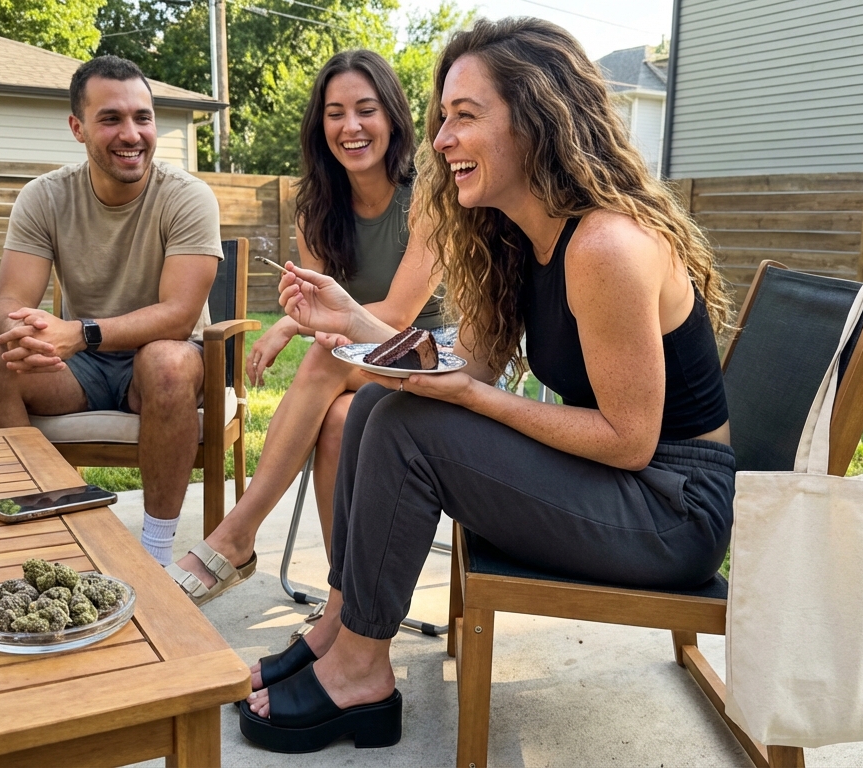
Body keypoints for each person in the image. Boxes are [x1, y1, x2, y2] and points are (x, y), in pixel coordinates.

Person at [238, 17, 737, 753]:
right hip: (625, 486)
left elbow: (630, 442)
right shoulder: (519, 236)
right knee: (381, 397)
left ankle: (360, 670)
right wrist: (354, 319)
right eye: (441, 119)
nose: (438, 141)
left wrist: (475, 401)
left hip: (670, 512)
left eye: (464, 118)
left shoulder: (603, 245)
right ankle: (347, 629)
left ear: (536, 121)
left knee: (413, 427)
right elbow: (461, 366)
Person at [168, 50, 443, 605]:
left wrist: (306, 334)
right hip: (356, 362)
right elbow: (321, 306)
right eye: (335, 112)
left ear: (392, 116)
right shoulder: (315, 204)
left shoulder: (429, 197)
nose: (351, 127)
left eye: (366, 109)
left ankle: (235, 536)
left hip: (432, 358)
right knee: (339, 417)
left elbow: (396, 317)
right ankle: (348, 601)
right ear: (321, 125)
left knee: (325, 361)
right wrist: (289, 325)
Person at [0, 55, 221, 567]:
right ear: (77, 128)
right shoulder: (44, 197)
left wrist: (79, 333)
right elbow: (9, 300)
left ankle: (156, 555)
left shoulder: (188, 197)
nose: (132, 133)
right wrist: (25, 331)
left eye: (143, 118)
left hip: (165, 356)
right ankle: (52, 527)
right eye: (111, 119)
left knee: (165, 361)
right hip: (80, 368)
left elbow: (178, 316)